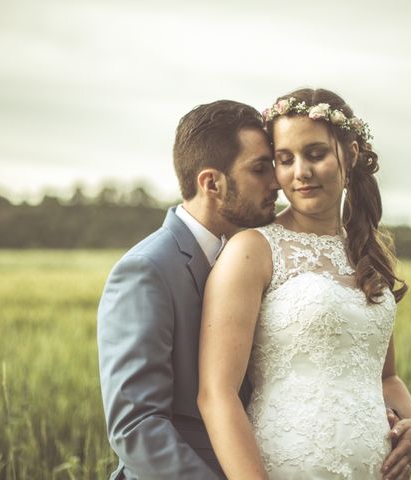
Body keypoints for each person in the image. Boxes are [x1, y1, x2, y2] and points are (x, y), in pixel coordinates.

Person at [198, 88, 411, 480]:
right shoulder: (253, 250)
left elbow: (384, 375)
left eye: (315, 154)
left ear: (350, 154)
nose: (299, 171)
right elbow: (216, 395)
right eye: (284, 160)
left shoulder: (367, 251)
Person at [97, 99, 280, 479]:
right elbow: (136, 427)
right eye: (260, 169)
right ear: (212, 183)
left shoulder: (259, 258)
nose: (276, 182)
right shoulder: (146, 270)